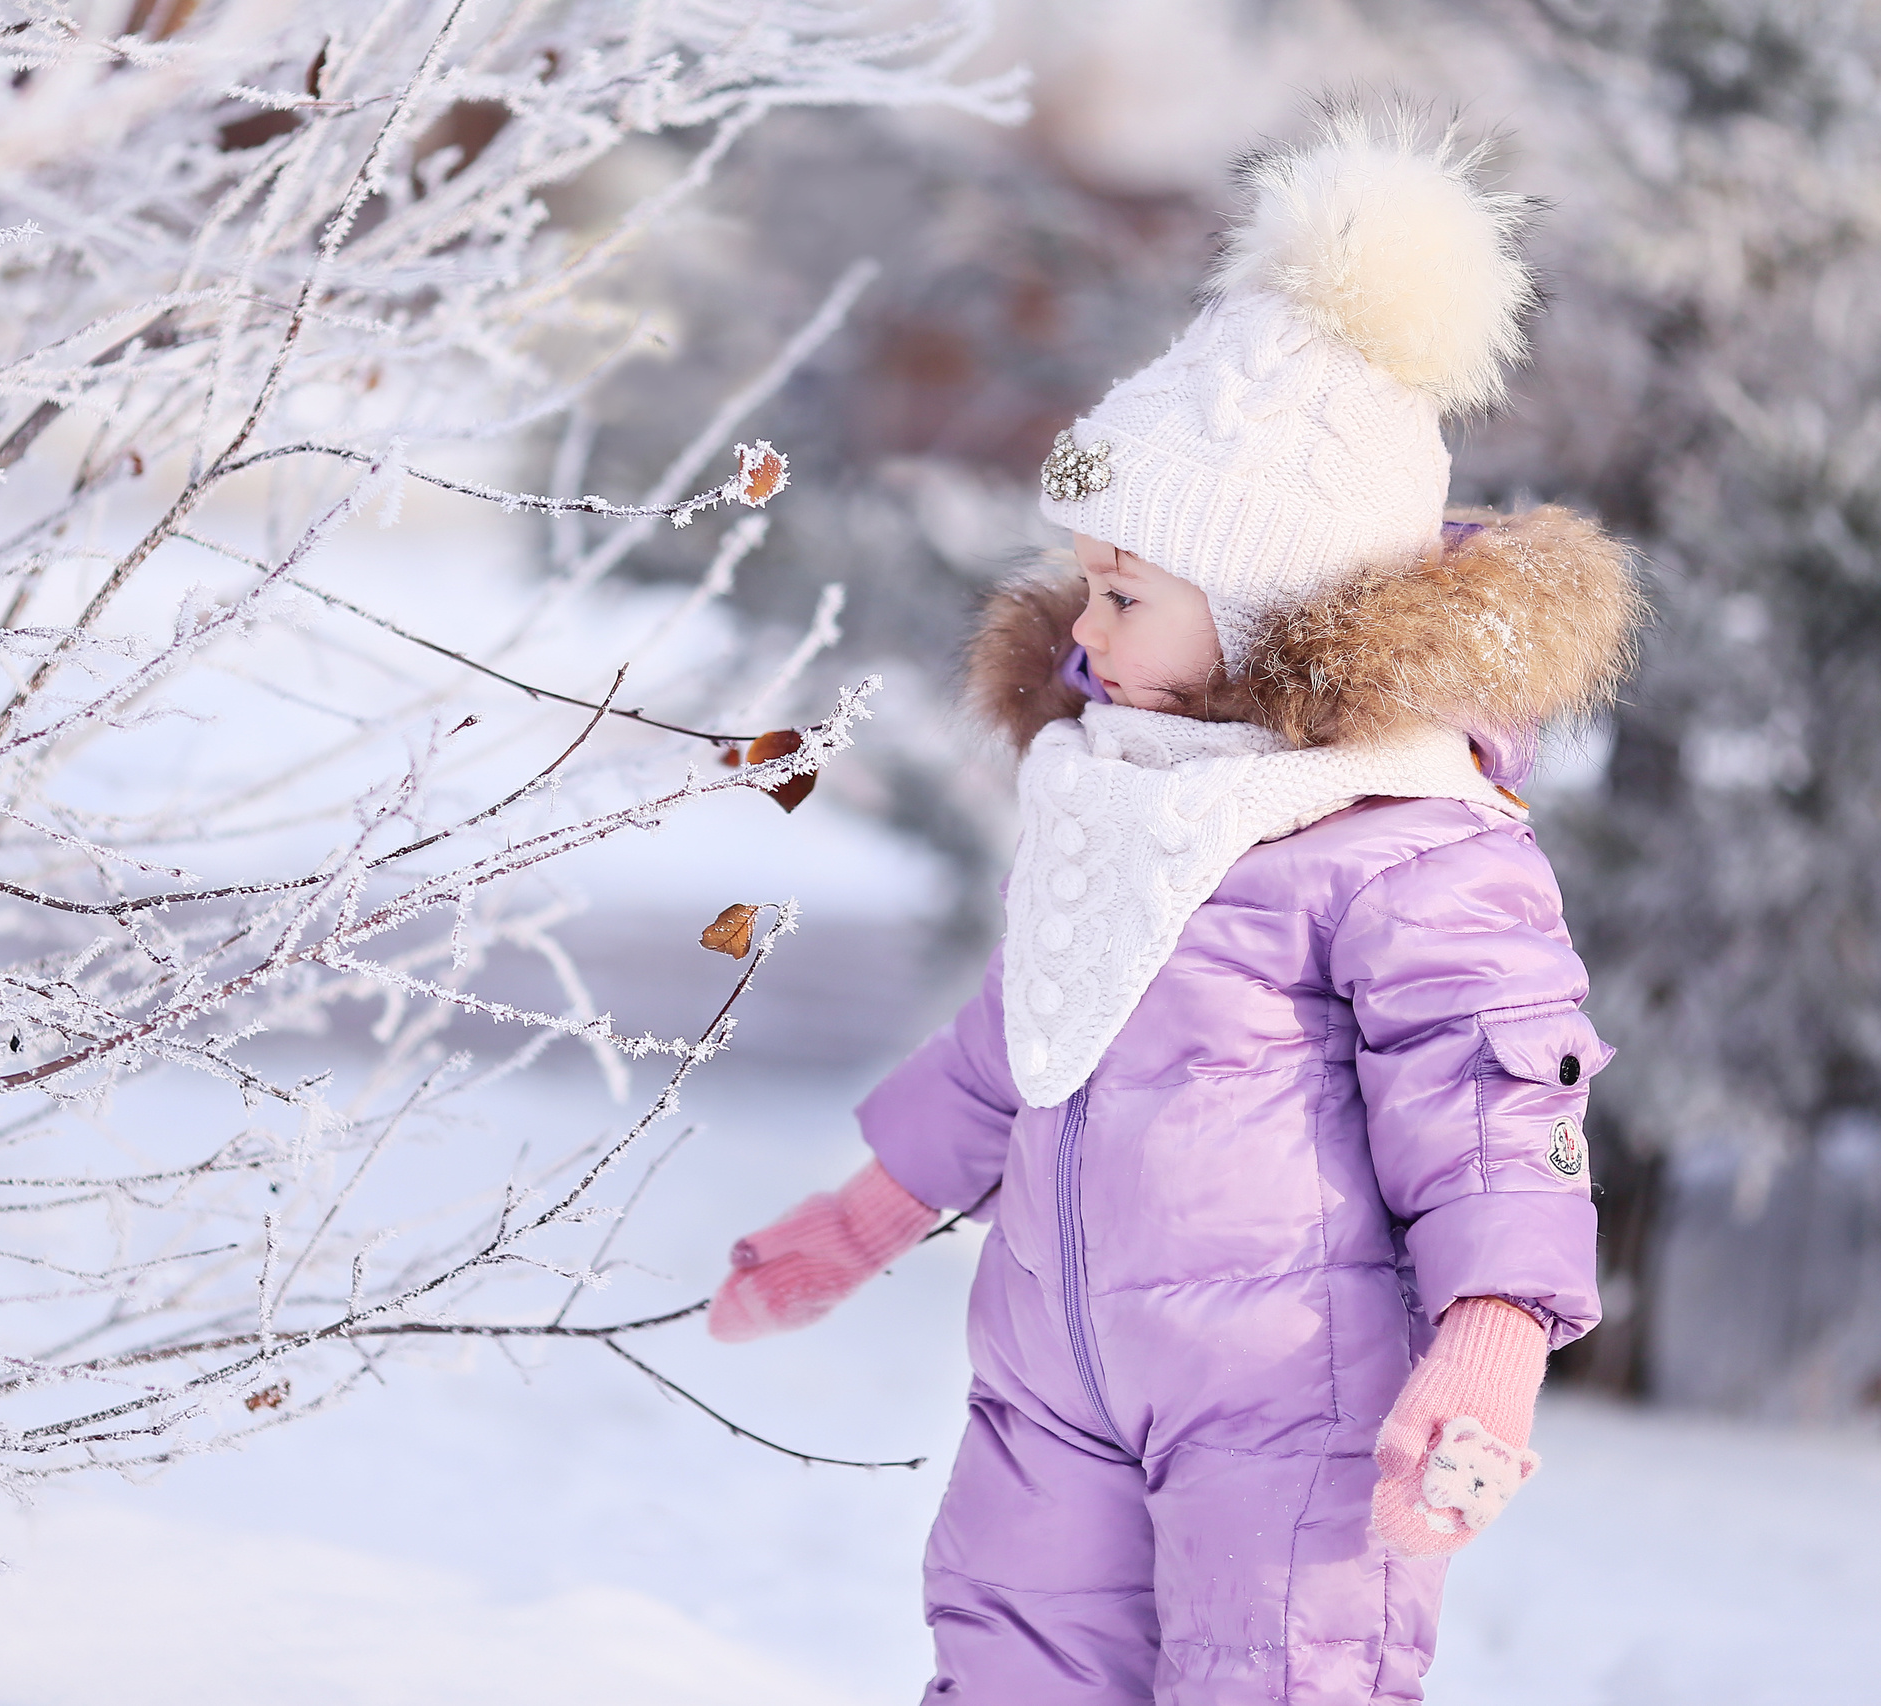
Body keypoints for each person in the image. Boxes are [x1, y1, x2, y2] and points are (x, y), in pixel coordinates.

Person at [705, 105, 1645, 1705]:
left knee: (1278, 1675)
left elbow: (1494, 1095)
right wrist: (870, 1211)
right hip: (1052, 1371)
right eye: (1086, 578)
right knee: (1007, 1662)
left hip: (1289, 1395)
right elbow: (1036, 1021)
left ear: (1272, 605)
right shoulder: (1116, 778)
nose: (1084, 623)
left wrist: (1490, 1335)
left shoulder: (1404, 837)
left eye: (1128, 593)